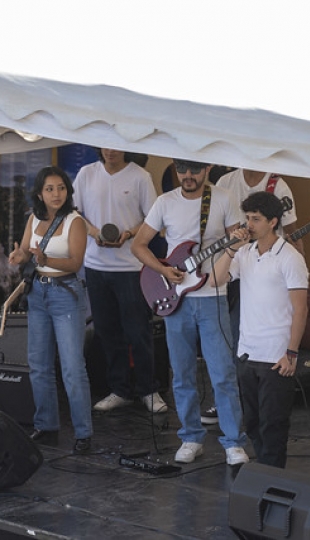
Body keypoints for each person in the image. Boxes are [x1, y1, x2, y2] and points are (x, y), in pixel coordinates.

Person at [131, 158, 248, 465]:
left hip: (214, 295)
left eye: (195, 169)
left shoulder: (223, 198)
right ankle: (191, 436)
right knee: (181, 373)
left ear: (207, 169)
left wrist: (237, 243)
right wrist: (164, 270)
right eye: (182, 169)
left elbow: (238, 239)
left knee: (222, 372)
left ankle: (233, 441)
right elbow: (139, 245)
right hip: (177, 298)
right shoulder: (164, 202)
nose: (188, 175)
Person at [208, 191, 308, 468]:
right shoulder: (246, 252)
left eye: (256, 219)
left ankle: (271, 479)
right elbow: (215, 280)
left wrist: (291, 352)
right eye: (247, 218)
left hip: (276, 355)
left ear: (273, 221)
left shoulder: (289, 257)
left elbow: (301, 308)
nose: (249, 224)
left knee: (273, 424)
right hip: (247, 352)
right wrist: (231, 248)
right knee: (252, 421)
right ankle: (264, 474)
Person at [73, 149, 167, 414]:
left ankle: (149, 389)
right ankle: (120, 390)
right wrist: (94, 233)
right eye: (104, 144)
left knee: (138, 331)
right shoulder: (86, 174)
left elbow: (153, 218)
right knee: (107, 331)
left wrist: (128, 234)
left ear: (124, 146)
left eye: (114, 144)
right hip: (95, 266)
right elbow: (75, 212)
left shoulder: (140, 176)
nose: (109, 150)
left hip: (131, 267)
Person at [8, 166, 93, 454]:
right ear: (40, 194)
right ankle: (46, 425)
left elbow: (75, 263)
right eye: (49, 189)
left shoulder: (75, 221)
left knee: (72, 367)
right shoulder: (33, 218)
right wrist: (17, 256)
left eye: (60, 188)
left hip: (65, 294)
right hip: (38, 294)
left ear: (68, 191)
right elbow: (23, 252)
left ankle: (83, 433)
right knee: (38, 365)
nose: (56, 194)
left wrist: (47, 259)